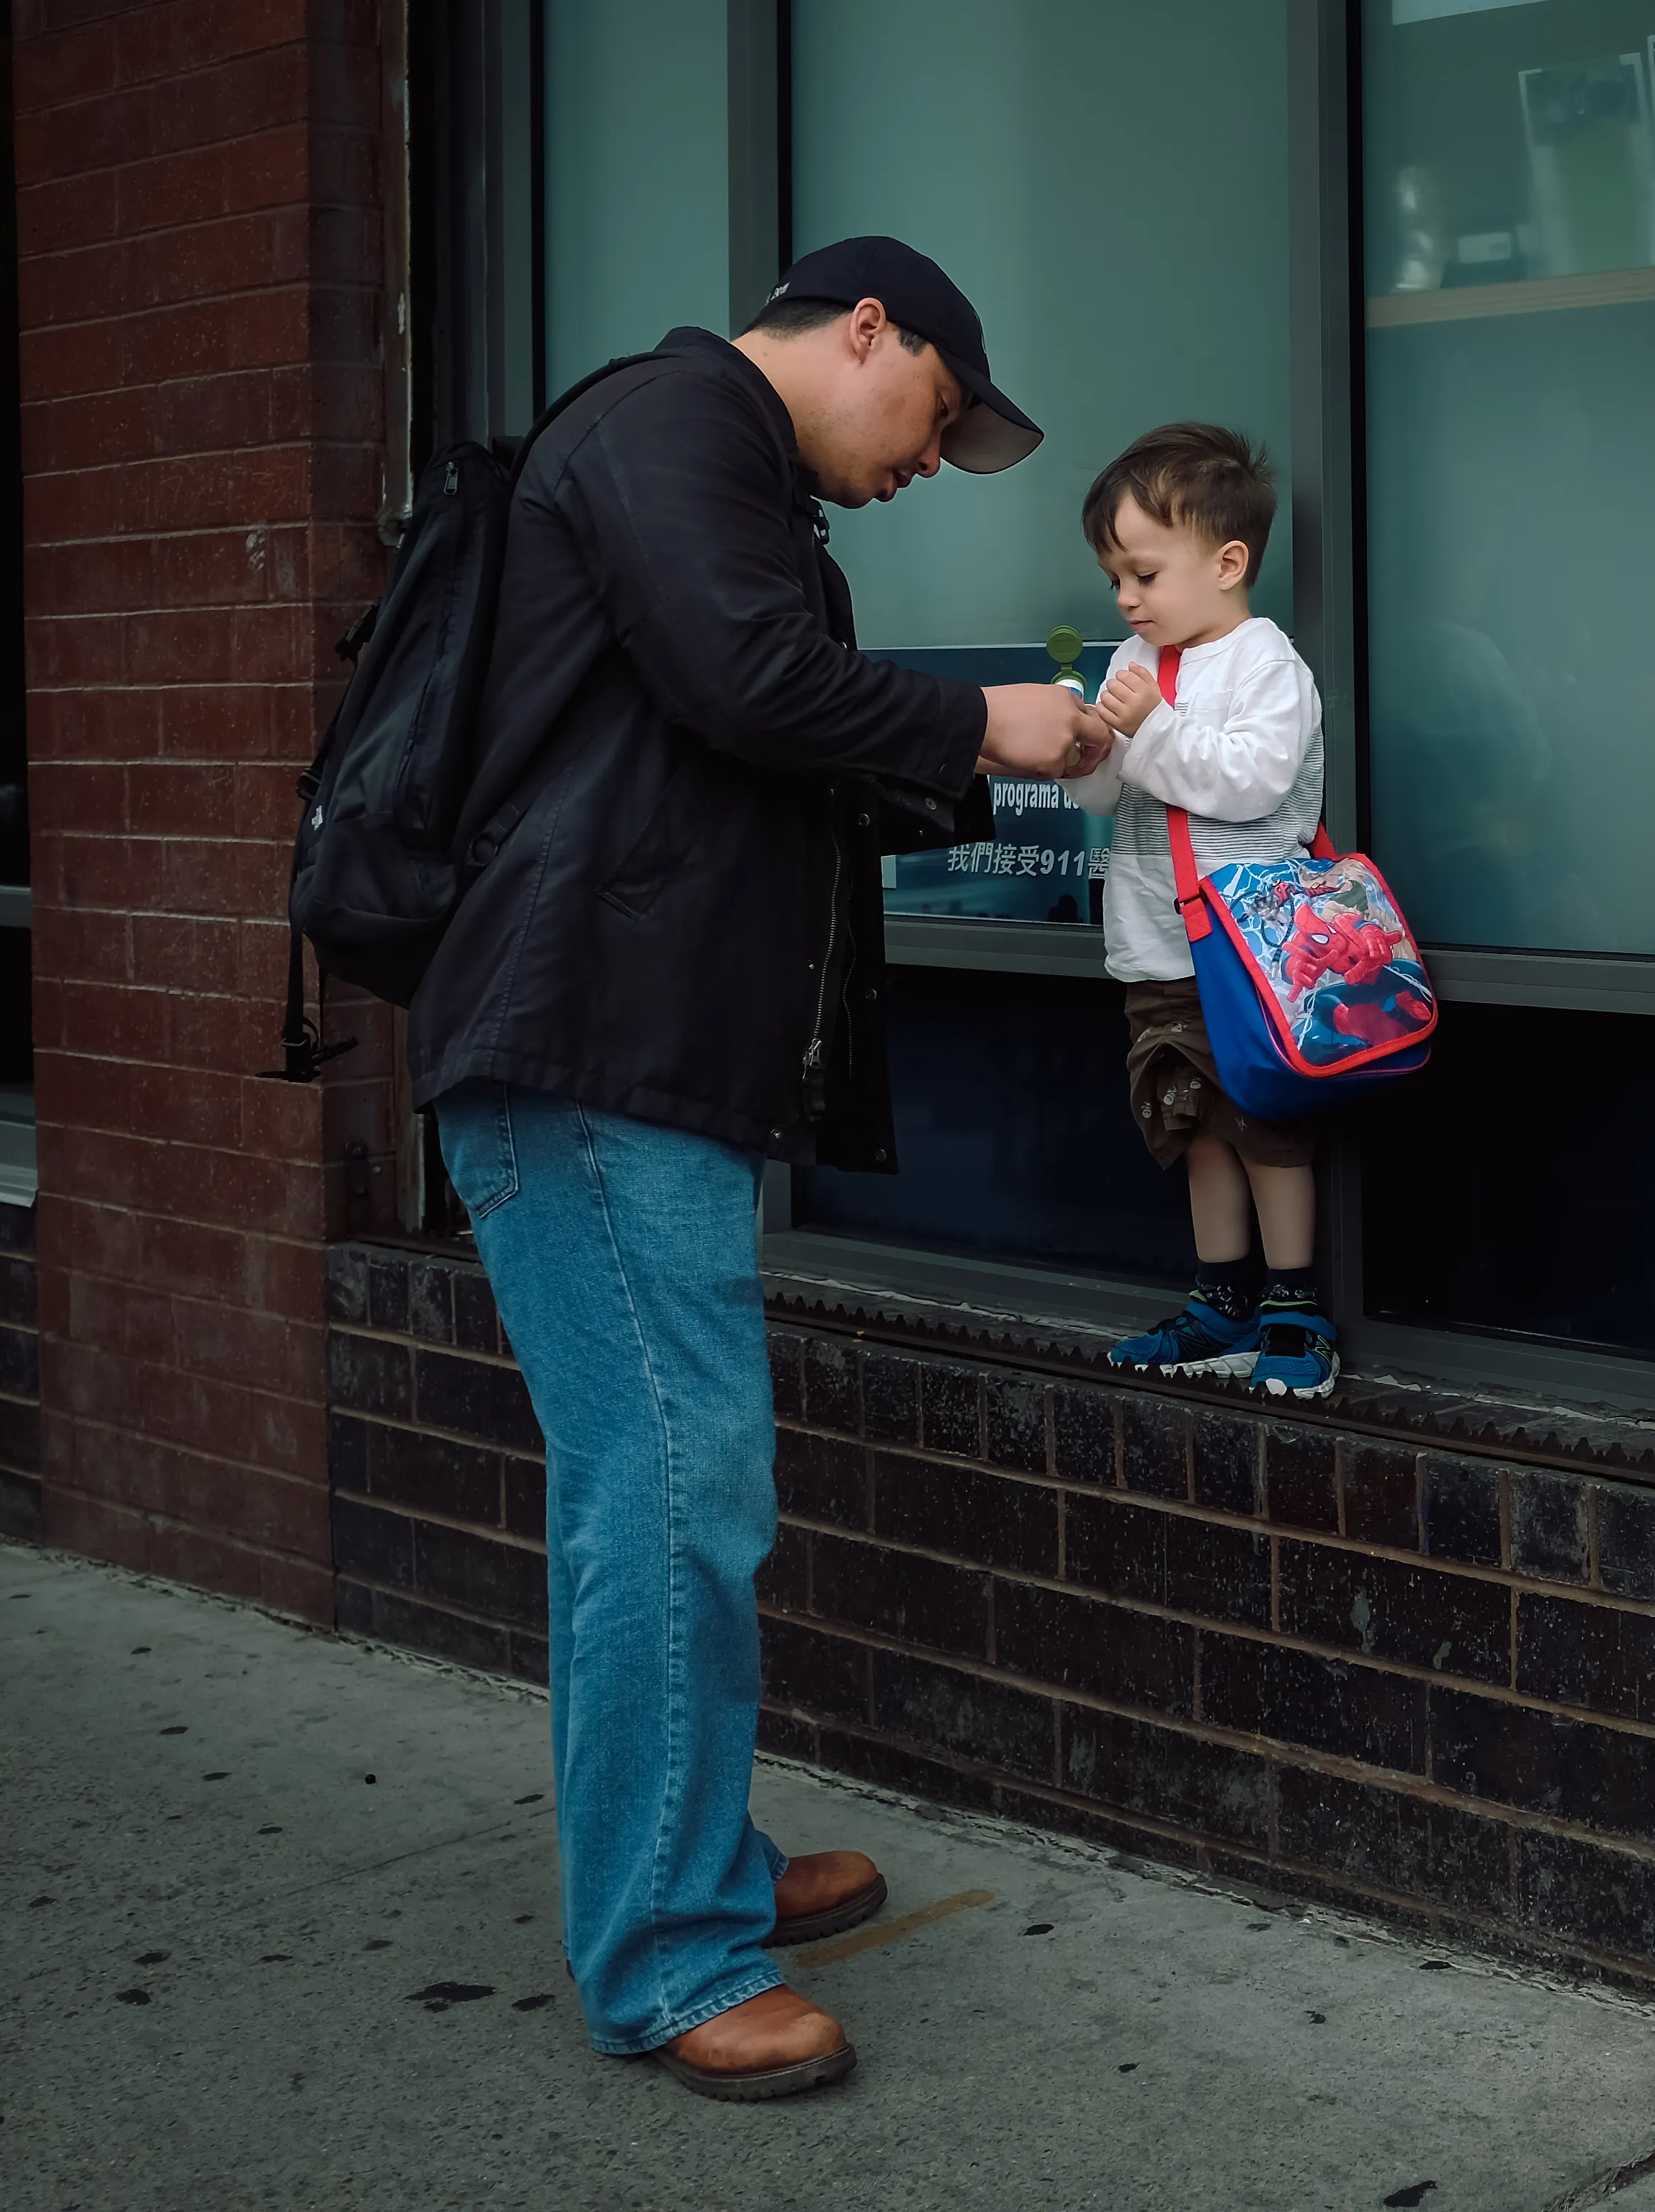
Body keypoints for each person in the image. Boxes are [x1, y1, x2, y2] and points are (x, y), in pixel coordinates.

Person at [406, 238, 1111, 2101]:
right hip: (583, 1049)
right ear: (865, 328)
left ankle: (692, 1869)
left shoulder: (717, 471)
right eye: (937, 417)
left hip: (631, 1051)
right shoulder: (670, 423)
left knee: (678, 1483)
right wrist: (981, 721)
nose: (927, 463)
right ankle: (664, 1953)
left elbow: (768, 736)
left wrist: (1008, 766)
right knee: (665, 1489)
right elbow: (746, 682)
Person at [1063, 425, 1338, 1401]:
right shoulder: (1142, 662)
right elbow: (1111, 801)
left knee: (1266, 1126)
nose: (1128, 599)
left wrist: (1148, 728)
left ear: (1229, 563)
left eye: (1143, 572)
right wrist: (1086, 749)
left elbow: (1252, 783)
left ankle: (1295, 1304)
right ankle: (1220, 1297)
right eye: (1115, 580)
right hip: (1157, 948)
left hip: (1249, 950)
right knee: (1195, 1125)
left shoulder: (1268, 667)